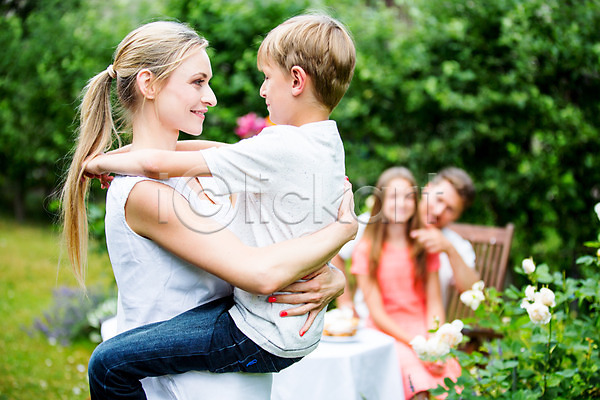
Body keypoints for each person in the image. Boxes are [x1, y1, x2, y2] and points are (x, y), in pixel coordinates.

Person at [61, 21, 355, 399]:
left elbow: (210, 162)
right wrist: (343, 230)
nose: (212, 98)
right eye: (198, 82)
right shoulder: (146, 193)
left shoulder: (207, 176)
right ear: (149, 84)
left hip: (234, 374)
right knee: (108, 365)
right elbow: (259, 272)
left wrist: (331, 277)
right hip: (182, 384)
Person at [349, 167, 461, 400]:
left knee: (452, 385)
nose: (401, 203)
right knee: (419, 386)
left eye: (408, 197)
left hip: (423, 329)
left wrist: (436, 341)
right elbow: (377, 314)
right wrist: (416, 345)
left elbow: (434, 303)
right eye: (394, 196)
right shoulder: (366, 250)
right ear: (381, 201)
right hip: (387, 334)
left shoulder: (425, 245)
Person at [332, 166, 479, 313]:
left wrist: (449, 250)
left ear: (458, 215)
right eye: (439, 199)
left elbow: (473, 291)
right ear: (427, 189)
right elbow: (336, 253)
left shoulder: (455, 244)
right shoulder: (375, 223)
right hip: (369, 319)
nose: (438, 211)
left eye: (450, 209)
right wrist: (345, 302)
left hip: (424, 323)